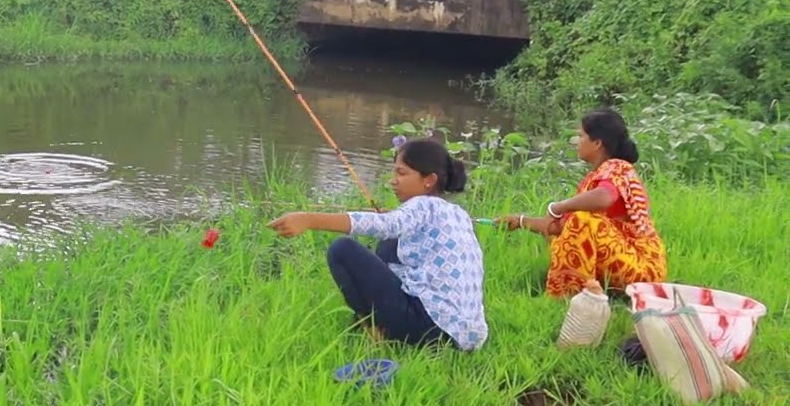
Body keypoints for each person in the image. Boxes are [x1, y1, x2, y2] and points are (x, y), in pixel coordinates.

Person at [268, 138, 488, 351]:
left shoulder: (422, 205)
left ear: (429, 180)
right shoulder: (459, 214)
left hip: (428, 327)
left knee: (342, 249)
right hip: (463, 336)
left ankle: (373, 327)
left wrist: (308, 219)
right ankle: (379, 322)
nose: (393, 180)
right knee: (390, 242)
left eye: (402, 173)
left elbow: (385, 225)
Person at [498, 108, 667, 298]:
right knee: (567, 231)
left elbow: (604, 198)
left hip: (643, 268)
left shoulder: (617, 167)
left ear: (597, 143)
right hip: (624, 262)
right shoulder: (596, 177)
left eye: (581, 136)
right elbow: (560, 227)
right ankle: (580, 291)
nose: (576, 142)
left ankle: (565, 294)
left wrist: (558, 206)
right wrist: (520, 221)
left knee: (582, 220)